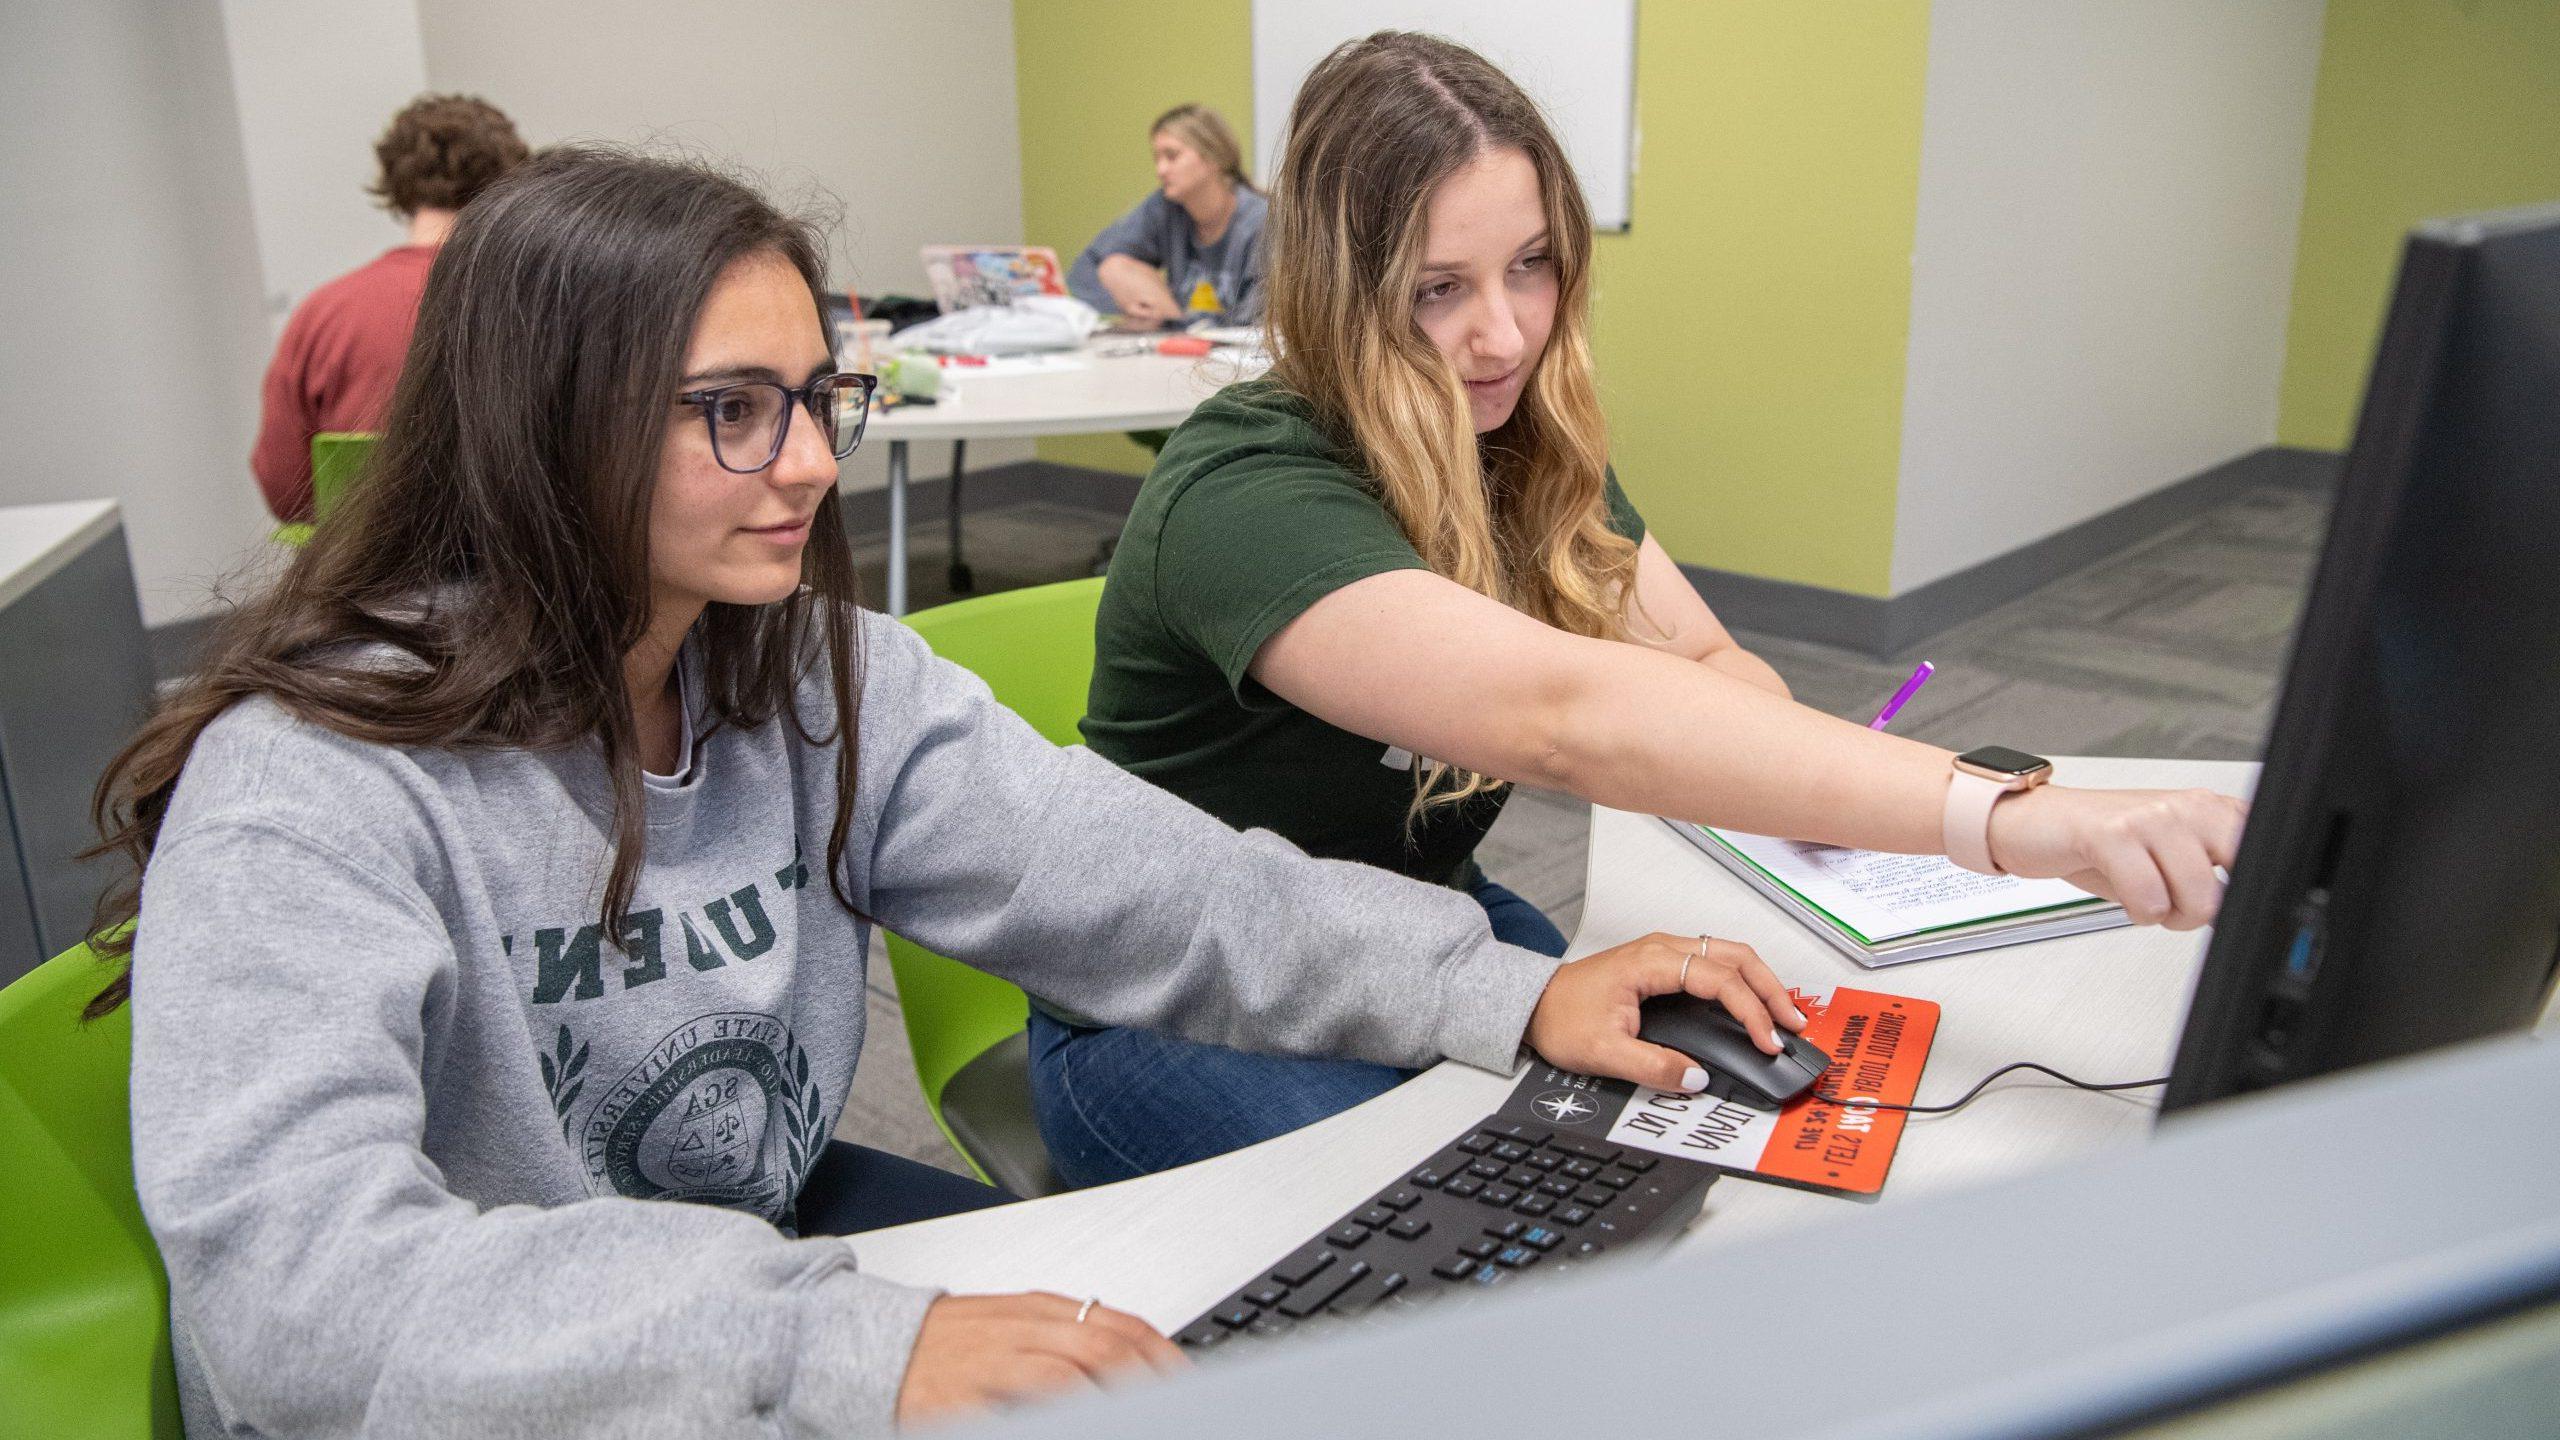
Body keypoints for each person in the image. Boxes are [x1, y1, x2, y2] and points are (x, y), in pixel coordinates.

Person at [92, 146, 1804, 1436]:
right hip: (458, 1389)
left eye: (815, 401)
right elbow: (294, 1299)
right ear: (549, 426)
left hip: (716, 1276)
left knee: (1191, 1362)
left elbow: (1173, 892)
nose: (818, 465)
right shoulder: (310, 786)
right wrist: (829, 1346)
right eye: (735, 413)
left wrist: (1515, 993)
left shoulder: (812, 679)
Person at [1033, 31, 2251, 1187]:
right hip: (1178, 1002)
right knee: (1463, 1234)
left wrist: (1811, 775)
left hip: (1417, 934)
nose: (1500, 334)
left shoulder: (1511, 446)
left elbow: (1707, 661)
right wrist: (2005, 821)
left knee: (1642, 1148)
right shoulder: (1244, 492)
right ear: (1338, 291)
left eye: (1530, 267)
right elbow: (1561, 718)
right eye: (1435, 290)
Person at [247, 93, 527, 522]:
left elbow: (284, 487)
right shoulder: (528, 296)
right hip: (517, 564)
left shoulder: (324, 311)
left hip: (364, 574)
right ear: (509, 181)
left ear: (396, 184)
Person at [1066, 103, 1267, 328]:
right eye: (1157, 158)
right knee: (1115, 264)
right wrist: (1126, 308)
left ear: (1214, 157)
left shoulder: (1263, 220)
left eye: (1172, 156)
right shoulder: (1165, 207)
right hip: (1183, 345)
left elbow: (1261, 320)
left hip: (1242, 351)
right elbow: (1091, 264)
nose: (1160, 170)